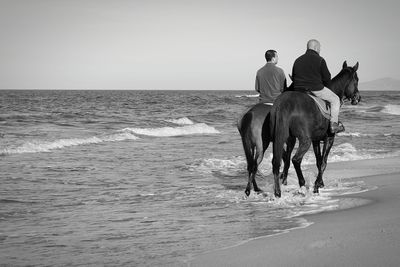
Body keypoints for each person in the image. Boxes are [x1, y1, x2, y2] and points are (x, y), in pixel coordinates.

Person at [291, 39, 344, 134]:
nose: (320, 51)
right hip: (315, 89)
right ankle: (334, 125)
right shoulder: (320, 60)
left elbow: (294, 77)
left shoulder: (297, 60)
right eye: (319, 49)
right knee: (336, 99)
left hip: (298, 90)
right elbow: (327, 79)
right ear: (316, 48)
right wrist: (327, 88)